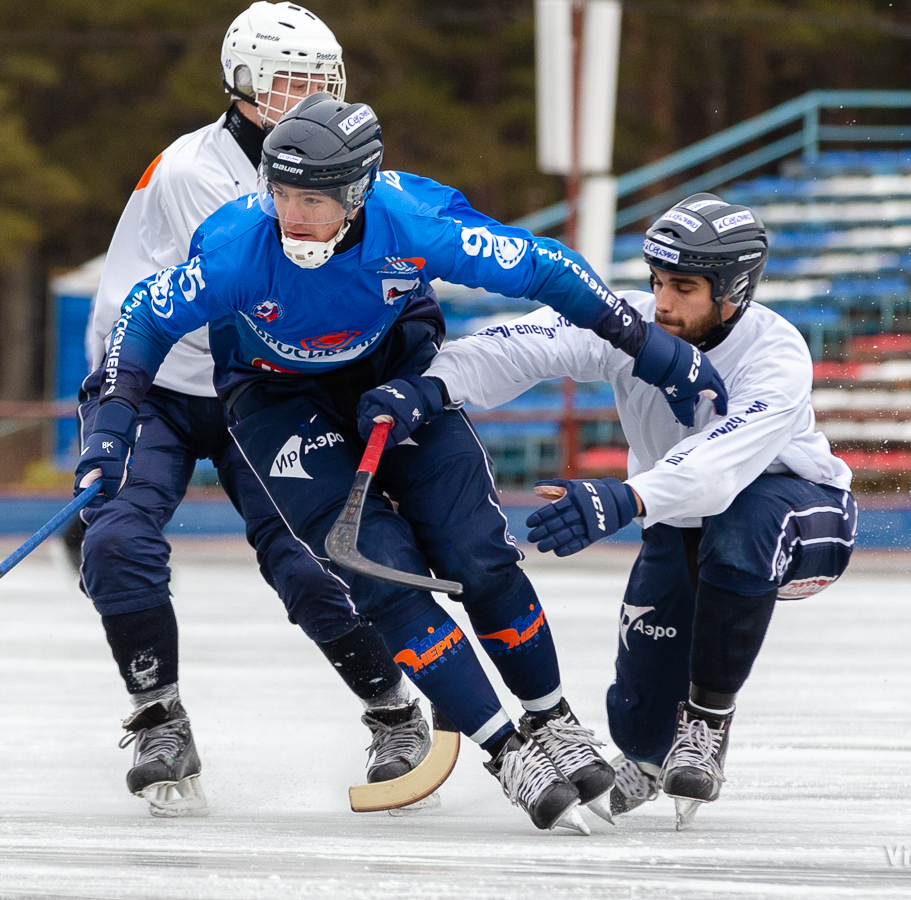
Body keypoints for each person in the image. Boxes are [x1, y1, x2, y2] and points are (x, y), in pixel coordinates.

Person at [76, 94, 729, 832]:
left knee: (476, 554)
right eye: (280, 192)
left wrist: (657, 350)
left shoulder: (412, 222)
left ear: (356, 193)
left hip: (392, 378)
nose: (293, 214)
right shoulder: (235, 247)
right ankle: (506, 747)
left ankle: (552, 718)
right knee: (374, 564)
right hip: (275, 402)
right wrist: (111, 427)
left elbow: (548, 269)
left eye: (314, 199)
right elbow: (142, 322)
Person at [72, 3, 431, 819]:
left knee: (307, 560)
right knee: (118, 539)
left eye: (321, 84)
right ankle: (158, 717)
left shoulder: (325, 163)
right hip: (158, 381)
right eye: (288, 84)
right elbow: (265, 295)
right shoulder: (194, 174)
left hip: (258, 388)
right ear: (241, 86)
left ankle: (393, 710)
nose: (306, 100)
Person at [422, 193, 856, 829]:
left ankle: (708, 723)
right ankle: (655, 755)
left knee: (745, 522)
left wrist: (626, 496)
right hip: (676, 522)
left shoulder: (776, 353)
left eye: (683, 287)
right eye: (656, 282)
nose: (663, 304)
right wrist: (428, 384)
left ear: (733, 289)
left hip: (801, 516)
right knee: (636, 719)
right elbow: (520, 346)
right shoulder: (632, 326)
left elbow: (725, 463)